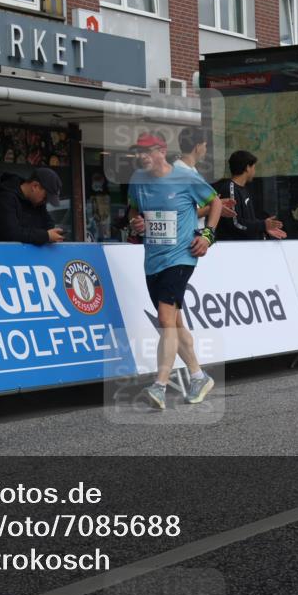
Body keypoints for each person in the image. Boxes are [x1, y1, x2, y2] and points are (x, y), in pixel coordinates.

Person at [127, 132, 222, 410]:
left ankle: (160, 384)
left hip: (182, 257)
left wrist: (208, 235)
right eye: (138, 152)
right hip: (153, 259)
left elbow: (215, 202)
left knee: (165, 317)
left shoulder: (184, 177)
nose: (142, 157)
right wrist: (137, 223)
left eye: (147, 151)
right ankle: (198, 376)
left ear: (162, 151)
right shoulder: (137, 181)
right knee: (174, 322)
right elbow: (134, 212)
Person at [213, 151, 286, 240]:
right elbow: (236, 224)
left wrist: (264, 227)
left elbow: (248, 221)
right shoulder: (230, 189)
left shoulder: (243, 189)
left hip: (248, 246)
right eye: (254, 167)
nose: (254, 172)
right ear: (247, 168)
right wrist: (263, 225)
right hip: (234, 248)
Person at [0, 168, 65, 244]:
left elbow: (48, 223)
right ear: (35, 186)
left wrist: (54, 233)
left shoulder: (37, 203)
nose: (45, 202)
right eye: (45, 197)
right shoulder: (5, 198)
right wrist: (46, 236)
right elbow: (12, 233)